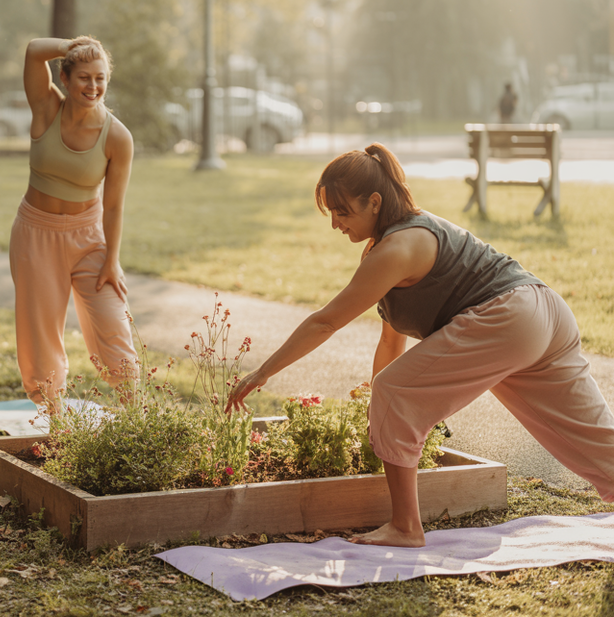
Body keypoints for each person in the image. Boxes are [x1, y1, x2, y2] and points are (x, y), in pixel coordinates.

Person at [226, 143, 614, 547]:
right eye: (331, 213)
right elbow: (390, 340)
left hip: (508, 319)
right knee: (593, 438)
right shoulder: (403, 236)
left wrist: (263, 372)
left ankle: (406, 528)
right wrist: (377, 413)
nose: (336, 223)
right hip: (545, 311)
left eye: (342, 211)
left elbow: (325, 322)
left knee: (394, 392)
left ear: (374, 202)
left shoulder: (395, 249)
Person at [10, 37, 137, 405]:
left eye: (100, 78)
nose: (93, 86)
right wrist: (76, 45)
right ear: (64, 78)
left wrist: (111, 260)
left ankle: (137, 420)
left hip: (89, 238)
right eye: (84, 77)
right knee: (41, 337)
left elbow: (114, 207)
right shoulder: (46, 106)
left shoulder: (117, 137)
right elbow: (34, 50)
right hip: (35, 234)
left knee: (114, 325)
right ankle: (57, 423)